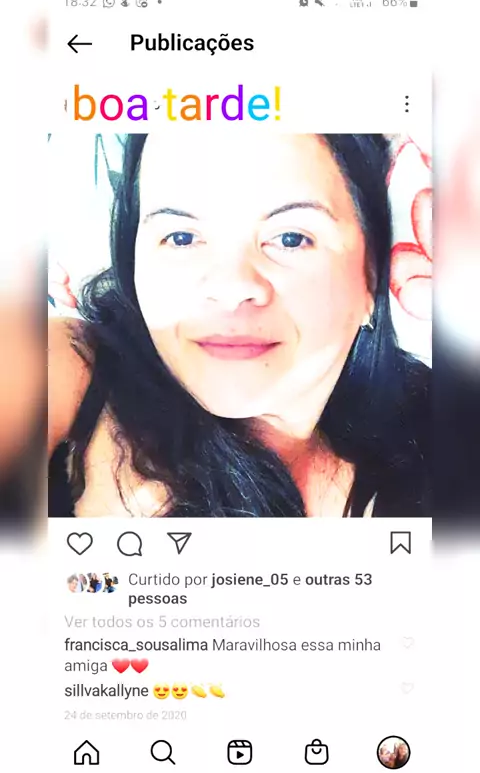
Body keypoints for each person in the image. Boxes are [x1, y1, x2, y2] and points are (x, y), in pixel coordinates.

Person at [48, 133, 431, 518]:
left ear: (370, 278)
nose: (230, 289)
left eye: (291, 238)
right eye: (181, 237)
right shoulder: (76, 369)